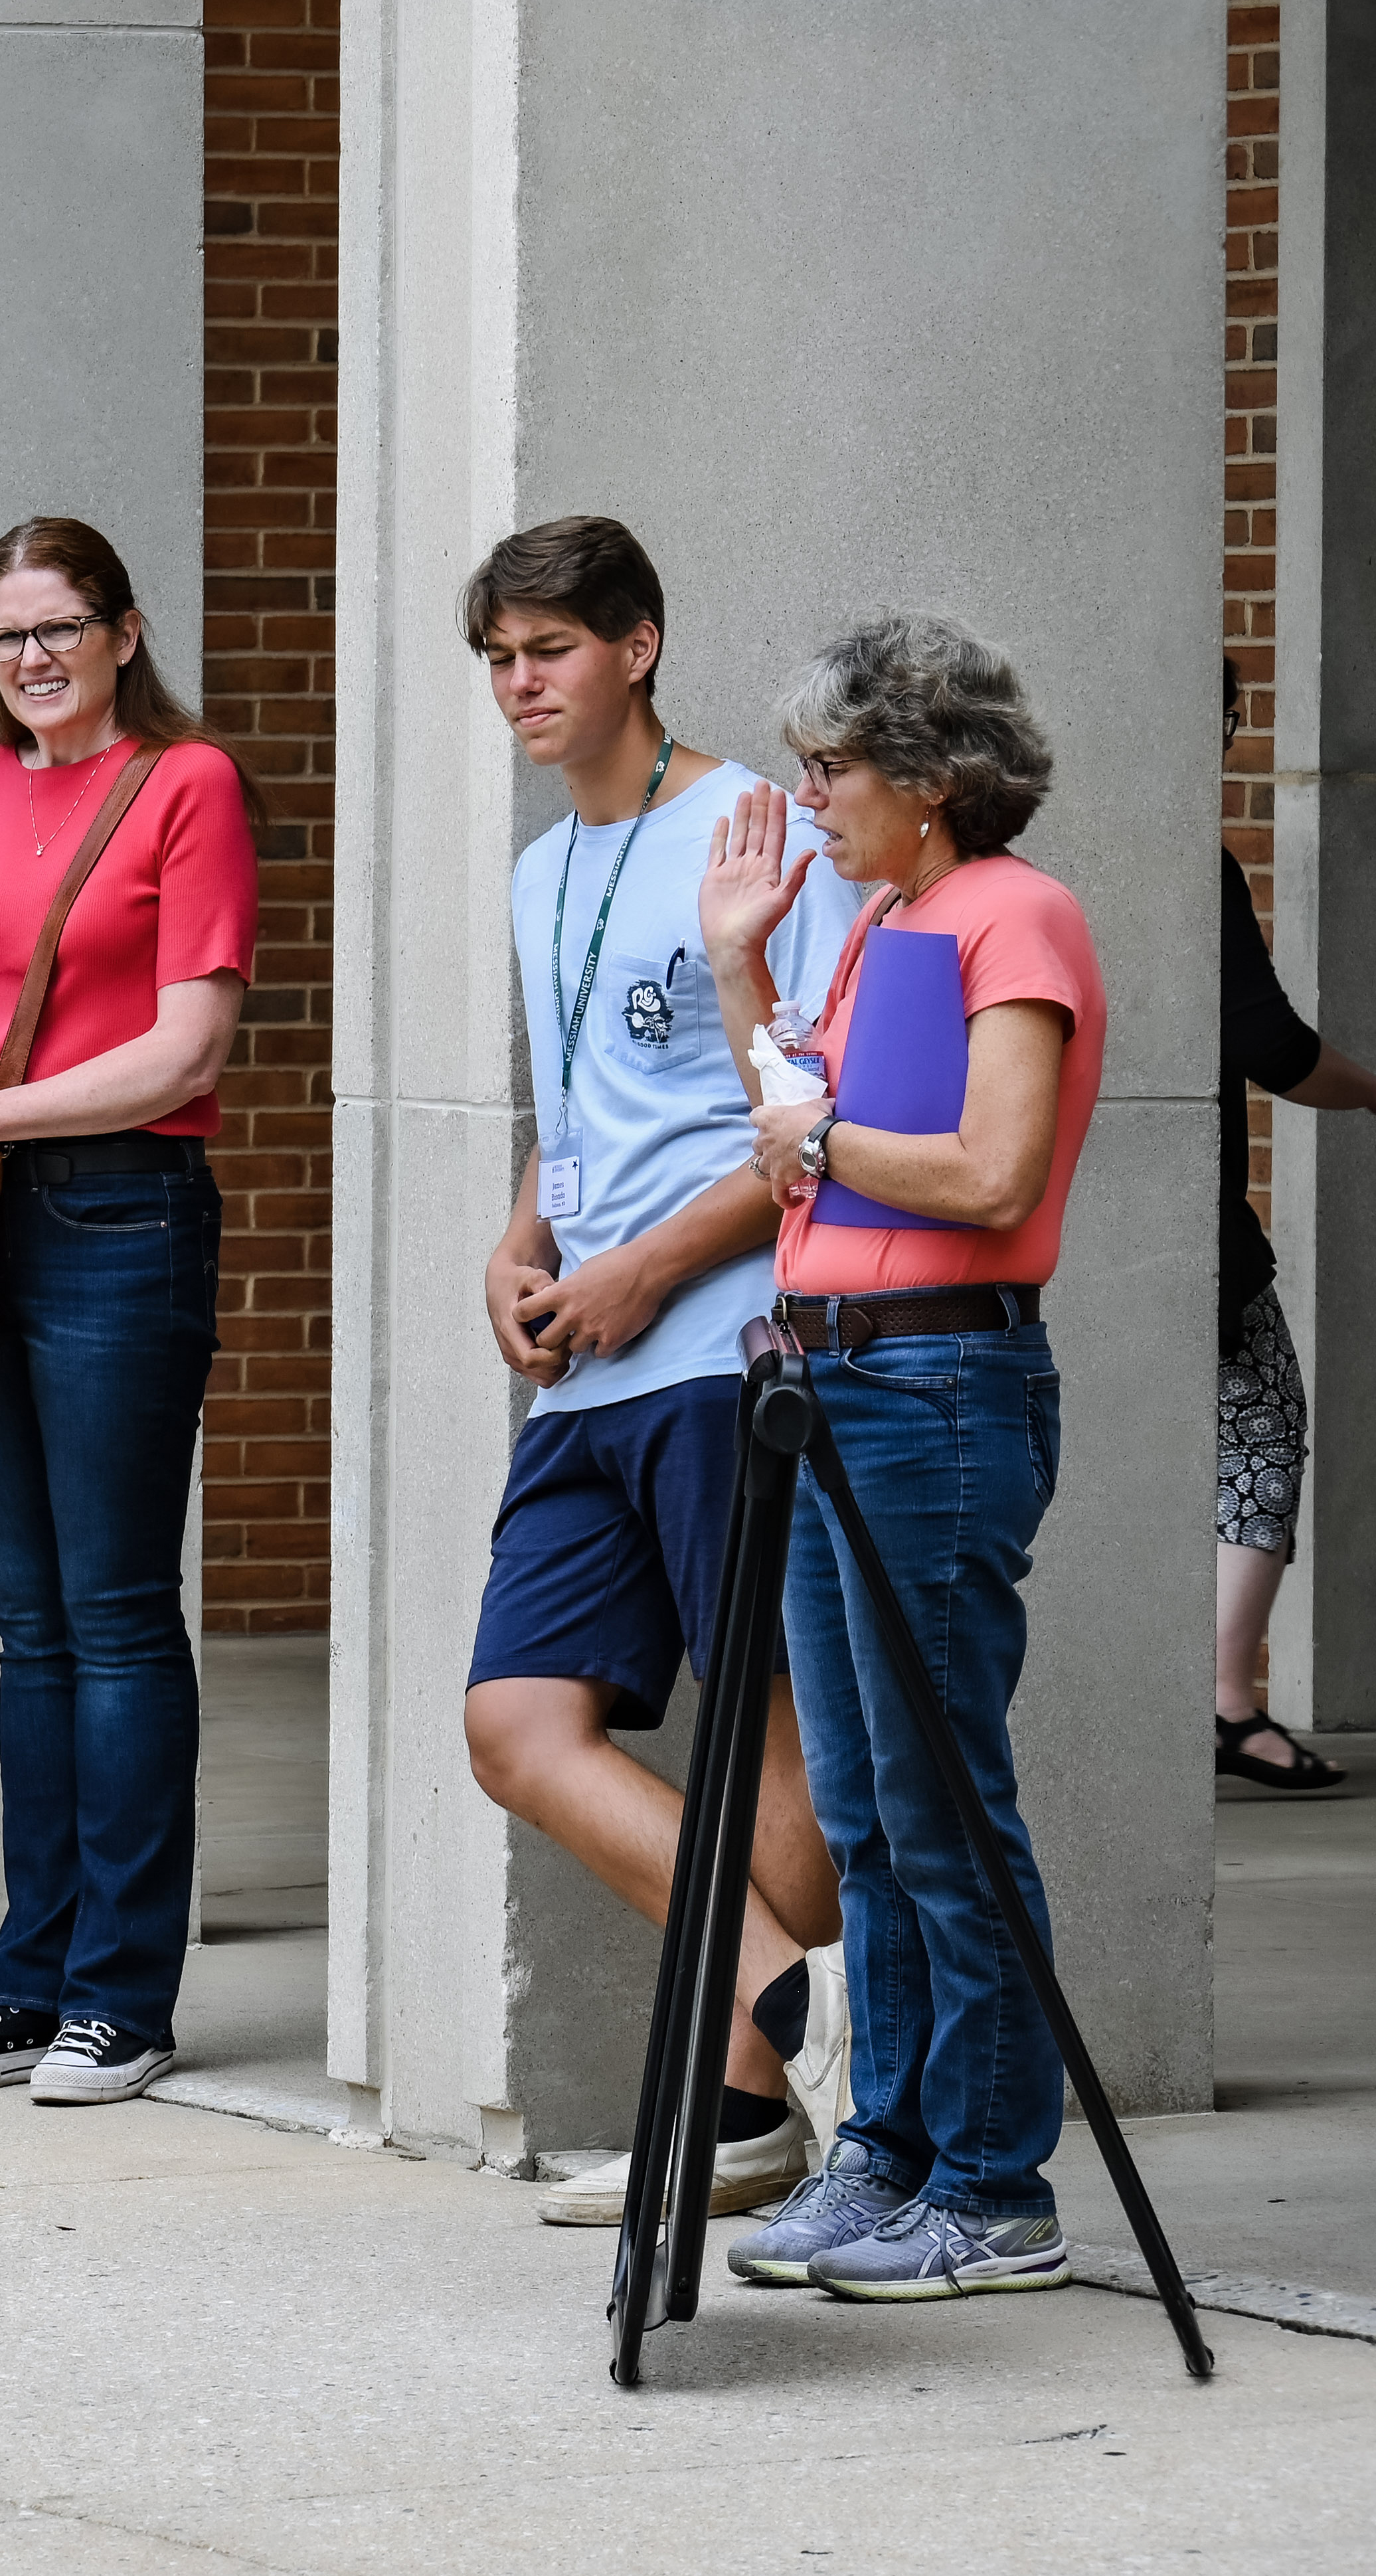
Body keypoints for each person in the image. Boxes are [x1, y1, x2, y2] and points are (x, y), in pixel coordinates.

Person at [450, 518, 859, 2225]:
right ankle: (792, 2002)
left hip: (718, 1347)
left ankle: (744, 2118)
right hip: (589, 1369)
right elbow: (578, 1112)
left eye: (547, 649)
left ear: (639, 643)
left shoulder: (754, 827)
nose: (520, 687)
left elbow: (809, 1115)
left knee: (775, 1784)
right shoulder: (545, 868)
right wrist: (523, 1236)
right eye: (497, 660)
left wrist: (647, 1266)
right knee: (515, 1724)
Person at [698, 614, 1105, 2304]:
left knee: (941, 1796)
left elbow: (994, 1174)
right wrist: (740, 971)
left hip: (940, 1384)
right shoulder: (887, 922)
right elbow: (804, 1145)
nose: (810, 797)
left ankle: (997, 2183)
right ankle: (898, 2147)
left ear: (933, 781)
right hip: (838, 1379)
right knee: (864, 1807)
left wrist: (828, 1134)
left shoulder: (1019, 915)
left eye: (834, 767)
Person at [0, 516, 258, 2110]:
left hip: (119, 1212)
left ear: (124, 629)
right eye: (5, 635)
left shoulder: (188, 785)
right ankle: (27, 1989)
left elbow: (186, 1050)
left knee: (114, 1610)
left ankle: (124, 1994)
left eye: (61, 627)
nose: (33, 659)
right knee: (30, 1622)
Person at [1211, 659, 1376, 1791]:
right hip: (1190, 1247)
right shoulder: (1195, 868)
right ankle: (1228, 1704)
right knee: (1260, 1433)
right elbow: (1275, 1049)